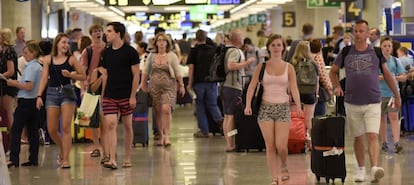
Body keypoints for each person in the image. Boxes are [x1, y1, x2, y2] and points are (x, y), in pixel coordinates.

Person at [329, 19, 401, 183]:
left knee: (372, 135)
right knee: (358, 137)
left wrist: (396, 95)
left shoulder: (376, 52)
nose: (359, 34)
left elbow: (388, 75)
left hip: (373, 101)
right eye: (356, 31)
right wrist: (336, 87)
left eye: (362, 31)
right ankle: (361, 169)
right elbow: (332, 72)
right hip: (352, 102)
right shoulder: (346, 52)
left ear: (368, 33)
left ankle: (374, 167)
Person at [244, 34, 302, 185]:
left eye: (279, 45)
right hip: (265, 108)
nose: (276, 47)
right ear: (268, 47)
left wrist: (299, 105)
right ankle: (274, 176)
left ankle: (283, 166)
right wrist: (248, 104)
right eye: (273, 45)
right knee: (270, 146)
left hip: (283, 108)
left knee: (281, 146)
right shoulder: (261, 66)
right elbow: (252, 86)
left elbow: (294, 88)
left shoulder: (289, 68)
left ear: (283, 47)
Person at [36, 33, 86, 169]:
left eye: (67, 43)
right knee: (51, 129)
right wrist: (39, 95)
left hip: (67, 92)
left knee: (65, 127)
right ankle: (63, 150)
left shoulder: (71, 59)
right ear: (57, 44)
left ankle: (66, 160)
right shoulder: (47, 59)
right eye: (63, 42)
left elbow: (83, 76)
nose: (66, 45)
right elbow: (44, 78)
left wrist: (70, 75)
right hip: (51, 93)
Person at [100, 22, 140, 169]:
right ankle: (112, 159)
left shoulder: (130, 52)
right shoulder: (106, 53)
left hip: (126, 95)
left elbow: (136, 75)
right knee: (110, 124)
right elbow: (105, 75)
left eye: (109, 31)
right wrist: (103, 95)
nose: (107, 34)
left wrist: (133, 96)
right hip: (110, 95)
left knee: (128, 126)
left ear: (118, 33)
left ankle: (128, 157)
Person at [140, 32, 185, 146]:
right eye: (159, 40)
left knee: (166, 109)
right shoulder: (151, 56)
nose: (161, 43)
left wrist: (181, 85)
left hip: (169, 86)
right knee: (157, 111)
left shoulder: (172, 56)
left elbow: (177, 71)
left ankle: (167, 135)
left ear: (167, 43)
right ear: (156, 43)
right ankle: (160, 134)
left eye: (163, 40)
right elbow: (145, 71)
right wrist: (143, 84)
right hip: (154, 87)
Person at [7, 41, 42, 168]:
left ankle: (14, 158)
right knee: (32, 131)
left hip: (26, 101)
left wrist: (14, 84)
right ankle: (33, 158)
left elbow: (29, 86)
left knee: (16, 129)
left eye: (26, 53)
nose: (24, 55)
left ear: (33, 53)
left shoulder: (32, 67)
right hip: (33, 102)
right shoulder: (38, 66)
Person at [220, 29, 255, 152]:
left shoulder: (226, 50)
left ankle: (229, 142)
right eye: (241, 37)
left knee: (227, 116)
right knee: (231, 117)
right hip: (233, 87)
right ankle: (230, 144)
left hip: (225, 86)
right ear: (238, 39)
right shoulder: (235, 51)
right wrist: (247, 62)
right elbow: (231, 65)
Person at [187, 29, 223, 138]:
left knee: (200, 106)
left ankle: (205, 131)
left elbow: (191, 68)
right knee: (212, 104)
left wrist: (189, 83)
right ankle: (221, 122)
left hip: (199, 83)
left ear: (196, 38)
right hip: (212, 82)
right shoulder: (213, 50)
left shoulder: (194, 51)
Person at [79, 24, 107, 161]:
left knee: (105, 117)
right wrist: (83, 89)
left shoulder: (108, 48)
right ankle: (96, 146)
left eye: (99, 31)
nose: (98, 33)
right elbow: (82, 71)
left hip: (107, 85)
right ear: (91, 34)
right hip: (92, 86)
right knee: (92, 118)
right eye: (95, 31)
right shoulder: (87, 51)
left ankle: (107, 147)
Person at [378, 36, 406, 153]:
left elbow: (403, 77)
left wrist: (394, 77)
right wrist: (386, 77)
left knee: (394, 118)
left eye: (389, 46)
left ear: (392, 47)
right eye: (384, 46)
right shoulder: (377, 61)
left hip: (393, 95)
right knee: (382, 119)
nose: (387, 48)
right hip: (379, 94)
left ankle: (396, 142)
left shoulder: (395, 61)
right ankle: (384, 142)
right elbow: (373, 77)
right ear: (380, 47)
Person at [291, 40, 319, 147]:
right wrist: (316, 94)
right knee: (309, 118)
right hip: (310, 92)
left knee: (296, 118)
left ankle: (298, 140)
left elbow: (290, 81)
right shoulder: (313, 63)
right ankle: (311, 143)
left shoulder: (293, 63)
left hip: (296, 92)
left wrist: (290, 93)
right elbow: (317, 81)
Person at [0, 28, 19, 144]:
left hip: (7, 85)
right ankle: (4, 140)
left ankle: (12, 141)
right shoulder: (2, 51)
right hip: (2, 84)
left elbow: (11, 71)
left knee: (8, 113)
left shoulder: (10, 51)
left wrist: (1, 75)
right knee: (2, 113)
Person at [310, 39, 332, 117]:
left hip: (308, 91)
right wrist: (330, 89)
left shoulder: (307, 57)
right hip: (318, 92)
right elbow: (323, 76)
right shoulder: (318, 57)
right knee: (320, 116)